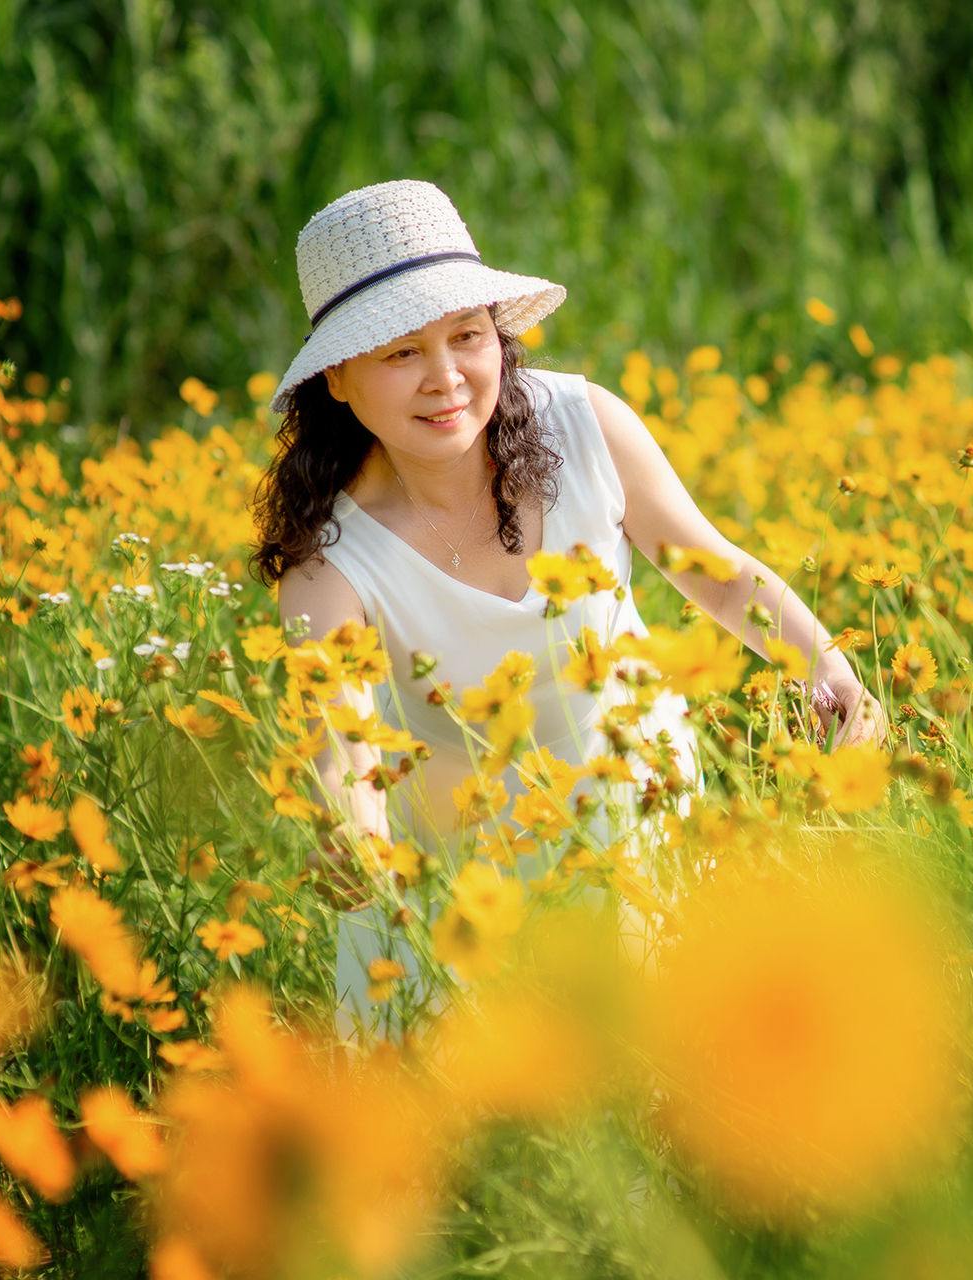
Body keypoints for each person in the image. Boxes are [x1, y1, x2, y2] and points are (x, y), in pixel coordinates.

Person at [249, 179, 884, 1037]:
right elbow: (342, 741)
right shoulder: (330, 565)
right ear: (338, 378)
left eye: (466, 336)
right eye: (401, 354)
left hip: (639, 839)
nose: (445, 379)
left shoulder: (585, 425)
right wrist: (352, 834)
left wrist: (829, 665)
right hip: (455, 909)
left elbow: (718, 573)